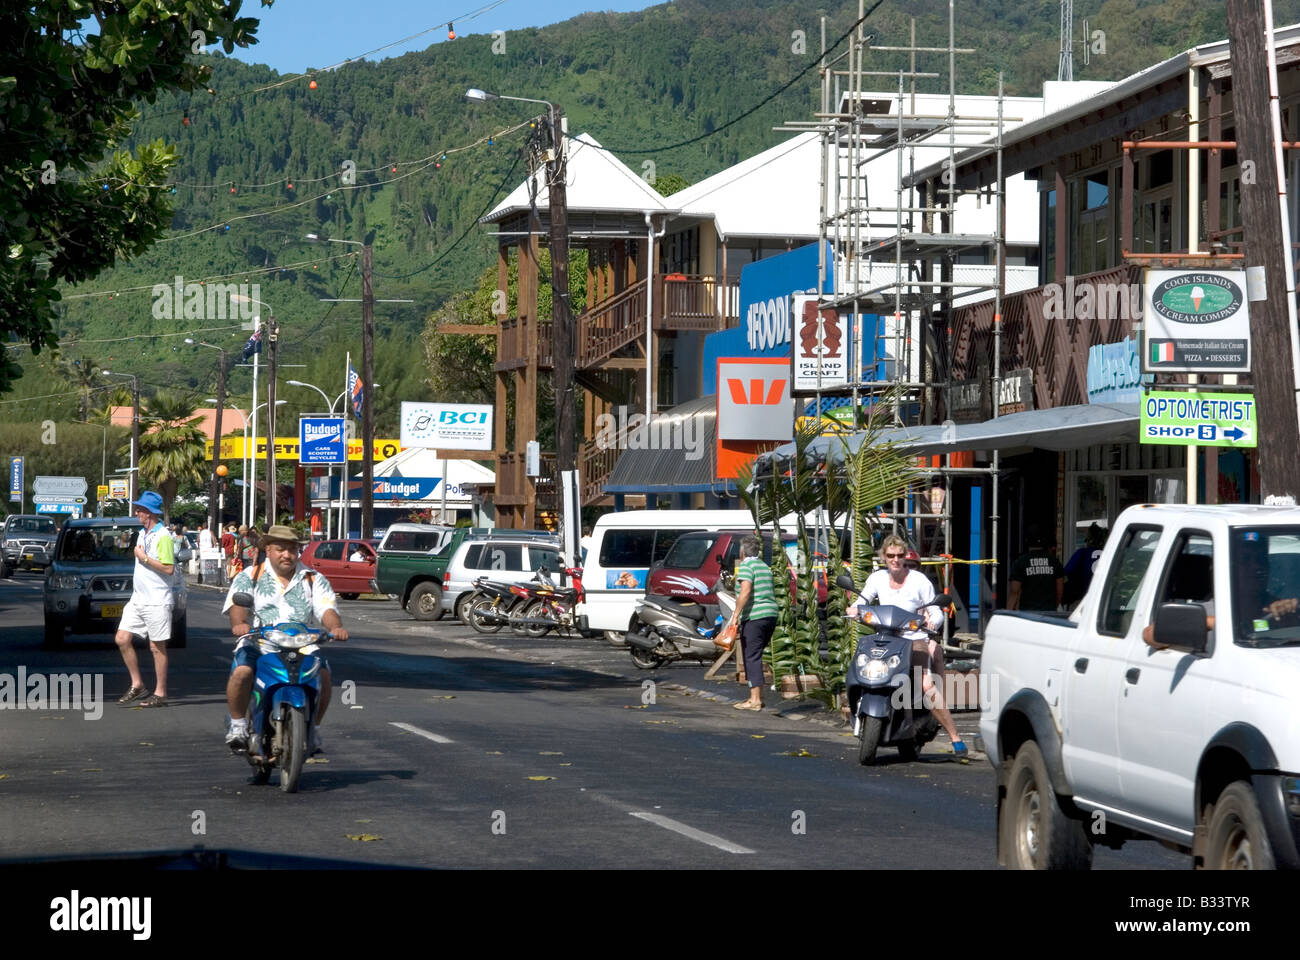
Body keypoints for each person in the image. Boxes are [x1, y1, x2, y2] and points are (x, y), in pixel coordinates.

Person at [222, 524, 349, 755]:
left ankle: (314, 728)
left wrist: (336, 627)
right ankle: (238, 725)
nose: (287, 555)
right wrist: (239, 624)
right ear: (268, 549)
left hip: (302, 641)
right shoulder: (251, 575)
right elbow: (237, 604)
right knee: (242, 672)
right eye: (280, 549)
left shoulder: (314, 579)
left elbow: (326, 609)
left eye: (292, 549)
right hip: (260, 640)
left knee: (323, 674)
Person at [849, 534, 969, 758]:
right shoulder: (877, 579)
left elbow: (935, 611)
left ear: (906, 557)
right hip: (884, 638)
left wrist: (933, 621)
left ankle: (955, 737)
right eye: (891, 555)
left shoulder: (919, 581)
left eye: (900, 555)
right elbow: (862, 600)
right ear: (883, 557)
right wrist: (854, 609)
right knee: (859, 667)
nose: (896, 560)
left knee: (925, 683)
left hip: (914, 640)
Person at [114, 491, 176, 708]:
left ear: (149, 513)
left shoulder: (163, 536)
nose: (136, 512)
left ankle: (160, 693)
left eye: (139, 509)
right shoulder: (142, 533)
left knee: (156, 646)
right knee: (122, 638)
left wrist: (145, 559)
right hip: (138, 598)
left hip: (157, 599)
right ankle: (138, 684)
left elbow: (169, 569)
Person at [730, 534, 779, 711]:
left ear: (742, 551)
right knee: (756, 654)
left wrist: (735, 614)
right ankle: (759, 696)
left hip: (755, 616)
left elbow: (745, 592)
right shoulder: (764, 566)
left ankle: (755, 699)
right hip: (771, 615)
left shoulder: (746, 566)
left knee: (751, 656)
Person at [1008, 525, 1064, 612]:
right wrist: (1053, 607)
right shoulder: (1054, 562)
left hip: (1027, 614)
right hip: (1049, 614)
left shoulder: (1020, 562)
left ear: (1026, 541)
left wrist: (1009, 615)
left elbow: (1014, 593)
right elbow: (1059, 591)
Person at [1062, 523, 1105, 606]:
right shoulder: (1109, 554)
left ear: (1089, 540)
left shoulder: (1082, 553)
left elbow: (1066, 572)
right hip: (1102, 600)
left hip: (1082, 599)